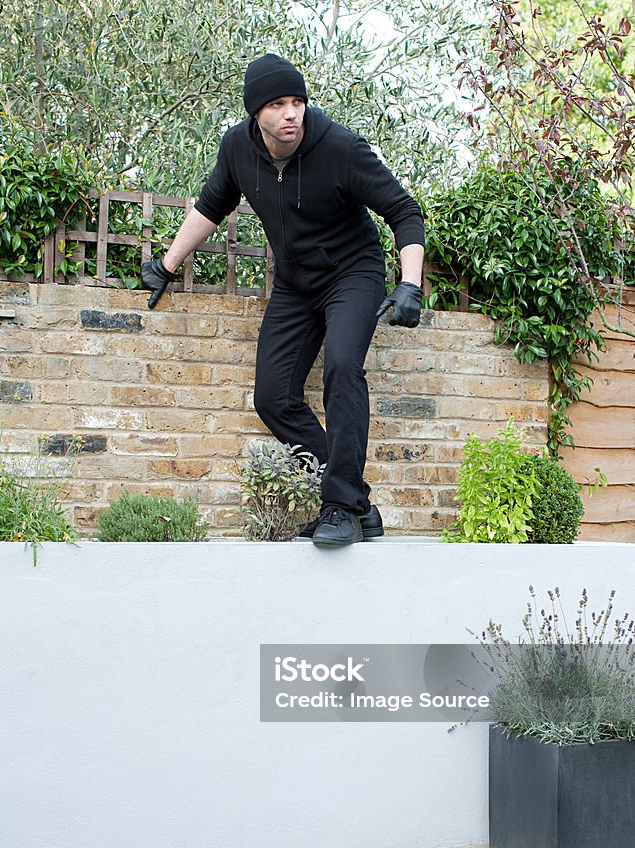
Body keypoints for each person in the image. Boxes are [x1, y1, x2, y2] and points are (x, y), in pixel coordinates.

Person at [141, 53, 425, 547]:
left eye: (297, 101)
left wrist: (410, 284)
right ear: (256, 113)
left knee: (341, 367)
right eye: (278, 104)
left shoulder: (338, 147)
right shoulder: (237, 149)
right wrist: (166, 265)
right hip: (295, 285)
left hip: (352, 275)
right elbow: (211, 206)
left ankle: (340, 508)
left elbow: (404, 210)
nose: (291, 113)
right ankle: (355, 498)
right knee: (272, 398)